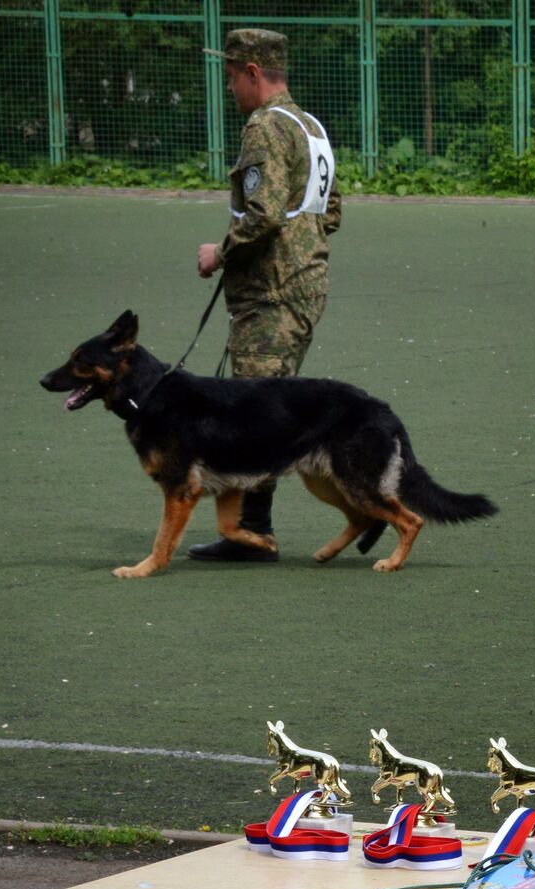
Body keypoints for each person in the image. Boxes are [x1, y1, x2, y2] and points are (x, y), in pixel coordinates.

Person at [190, 29, 342, 561]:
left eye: (232, 78)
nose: (229, 89)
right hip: (304, 288)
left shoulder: (265, 127)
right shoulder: (311, 127)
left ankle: (253, 533)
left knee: (253, 412)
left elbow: (264, 214)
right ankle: (253, 527)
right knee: (268, 408)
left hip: (272, 297)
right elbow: (332, 212)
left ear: (254, 72)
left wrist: (220, 253)